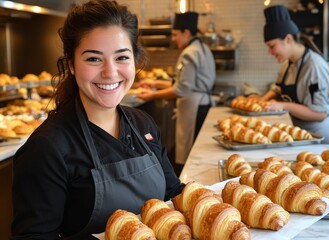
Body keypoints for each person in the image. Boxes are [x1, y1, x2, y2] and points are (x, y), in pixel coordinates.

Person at [11, 1, 184, 239]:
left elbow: (172, 193)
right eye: (94, 59)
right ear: (71, 65)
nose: (110, 72)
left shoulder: (143, 124)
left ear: (135, 60)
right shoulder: (47, 148)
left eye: (122, 57)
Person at [258, 5, 329, 144]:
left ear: (288, 39)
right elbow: (277, 89)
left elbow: (320, 113)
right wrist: (262, 100)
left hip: (325, 139)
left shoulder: (314, 66)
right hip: (304, 135)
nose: (270, 52)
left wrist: (283, 106)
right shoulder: (288, 64)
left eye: (272, 46)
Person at [137, 12, 216, 169]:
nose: (173, 39)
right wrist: (153, 82)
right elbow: (182, 82)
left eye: (175, 34)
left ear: (186, 32)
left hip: (194, 109)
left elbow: (182, 88)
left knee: (189, 156)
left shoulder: (189, 53)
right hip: (202, 103)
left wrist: (152, 95)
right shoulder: (203, 48)